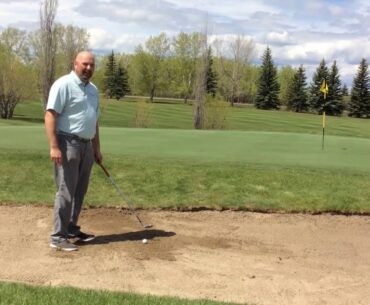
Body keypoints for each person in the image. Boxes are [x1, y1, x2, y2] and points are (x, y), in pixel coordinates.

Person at [44, 51, 102, 251]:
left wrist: (96, 148)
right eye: (85, 64)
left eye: (92, 65)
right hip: (67, 143)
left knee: (79, 190)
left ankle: (70, 228)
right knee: (66, 190)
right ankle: (58, 237)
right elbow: (50, 114)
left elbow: (94, 121)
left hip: (86, 145)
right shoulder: (63, 84)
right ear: (75, 64)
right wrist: (54, 146)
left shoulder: (93, 90)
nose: (88, 68)